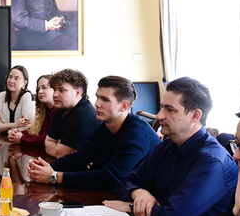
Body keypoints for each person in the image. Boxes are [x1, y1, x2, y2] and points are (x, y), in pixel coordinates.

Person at [104, 77, 237, 216]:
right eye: (162, 107)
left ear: (195, 115)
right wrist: (138, 193)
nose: (159, 115)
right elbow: (125, 183)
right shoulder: (167, 145)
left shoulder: (212, 160)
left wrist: (131, 207)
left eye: (170, 109)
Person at [27, 76, 160, 190]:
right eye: (97, 97)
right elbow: (80, 158)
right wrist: (44, 168)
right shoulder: (104, 128)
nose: (97, 104)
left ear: (124, 106)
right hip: (117, 193)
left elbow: (111, 178)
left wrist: (54, 177)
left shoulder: (136, 133)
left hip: (144, 200)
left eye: (105, 100)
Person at [43, 69, 100, 157]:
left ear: (78, 92)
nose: (55, 95)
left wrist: (60, 152)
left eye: (61, 90)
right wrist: (60, 152)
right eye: (54, 90)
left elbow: (63, 155)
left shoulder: (82, 116)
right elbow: (48, 144)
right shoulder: (61, 108)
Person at [8, 74, 55, 148]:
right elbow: (38, 133)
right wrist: (19, 133)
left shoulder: (57, 112)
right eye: (38, 89)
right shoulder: (46, 111)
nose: (40, 92)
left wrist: (22, 138)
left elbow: (45, 140)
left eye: (44, 88)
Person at [0, 65, 35, 133]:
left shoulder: (27, 96)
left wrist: (3, 125)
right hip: (2, 139)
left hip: (21, 139)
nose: (11, 81)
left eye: (16, 78)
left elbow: (27, 127)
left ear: (24, 83)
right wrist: (14, 125)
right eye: (10, 77)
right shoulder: (1, 96)